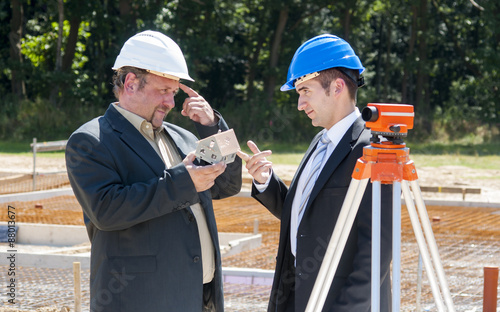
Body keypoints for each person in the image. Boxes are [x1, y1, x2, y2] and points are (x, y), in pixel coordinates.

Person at [65, 30, 242, 312]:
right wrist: (184, 181)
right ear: (131, 83)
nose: (171, 103)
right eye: (163, 91)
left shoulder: (181, 137)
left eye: (173, 92)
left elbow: (228, 184)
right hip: (141, 301)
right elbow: (106, 210)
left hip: (197, 298)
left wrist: (211, 127)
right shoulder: (91, 141)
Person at [238, 34, 393, 311]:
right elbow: (306, 216)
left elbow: (377, 251)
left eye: (305, 91)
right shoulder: (320, 142)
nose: (300, 104)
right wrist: (265, 182)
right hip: (299, 296)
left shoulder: (372, 150)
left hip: (338, 302)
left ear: (337, 87)